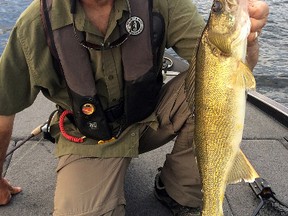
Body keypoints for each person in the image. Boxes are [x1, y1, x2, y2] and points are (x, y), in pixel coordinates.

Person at [0, 0, 269, 215]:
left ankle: (178, 189)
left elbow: (224, 72)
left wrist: (249, 40)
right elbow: (3, 109)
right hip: (90, 136)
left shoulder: (163, 3)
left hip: (149, 118)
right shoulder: (35, 24)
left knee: (206, 87)